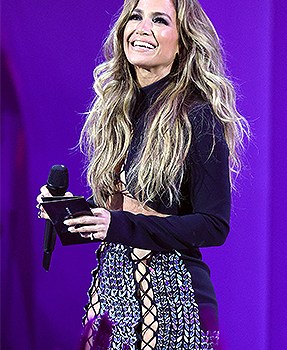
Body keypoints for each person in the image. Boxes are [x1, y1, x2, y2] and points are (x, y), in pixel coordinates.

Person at [37, 0, 249, 349]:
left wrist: (116, 224)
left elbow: (214, 224)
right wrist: (73, 211)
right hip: (112, 293)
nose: (142, 27)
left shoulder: (196, 116)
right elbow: (122, 206)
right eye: (135, 16)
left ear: (183, 43)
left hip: (173, 300)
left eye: (160, 20)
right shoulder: (117, 111)